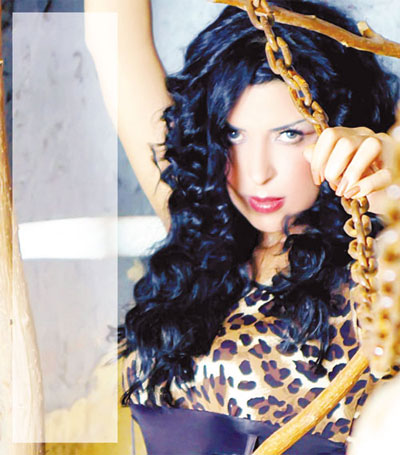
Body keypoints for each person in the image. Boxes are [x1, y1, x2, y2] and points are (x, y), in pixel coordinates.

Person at [84, 1, 399, 453]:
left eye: (289, 134)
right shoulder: (201, 230)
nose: (256, 172)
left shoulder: (383, 266)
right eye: (233, 134)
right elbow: (111, 35)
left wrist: (389, 167)